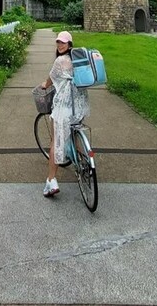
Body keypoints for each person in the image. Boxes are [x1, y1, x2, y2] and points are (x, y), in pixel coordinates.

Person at [40, 30, 89, 197]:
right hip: (79, 106)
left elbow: (49, 79)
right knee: (75, 133)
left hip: (64, 107)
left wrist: (44, 85)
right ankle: (86, 163)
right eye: (58, 42)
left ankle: (51, 181)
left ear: (69, 44)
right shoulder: (78, 60)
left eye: (63, 42)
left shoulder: (60, 61)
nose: (60, 45)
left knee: (55, 141)